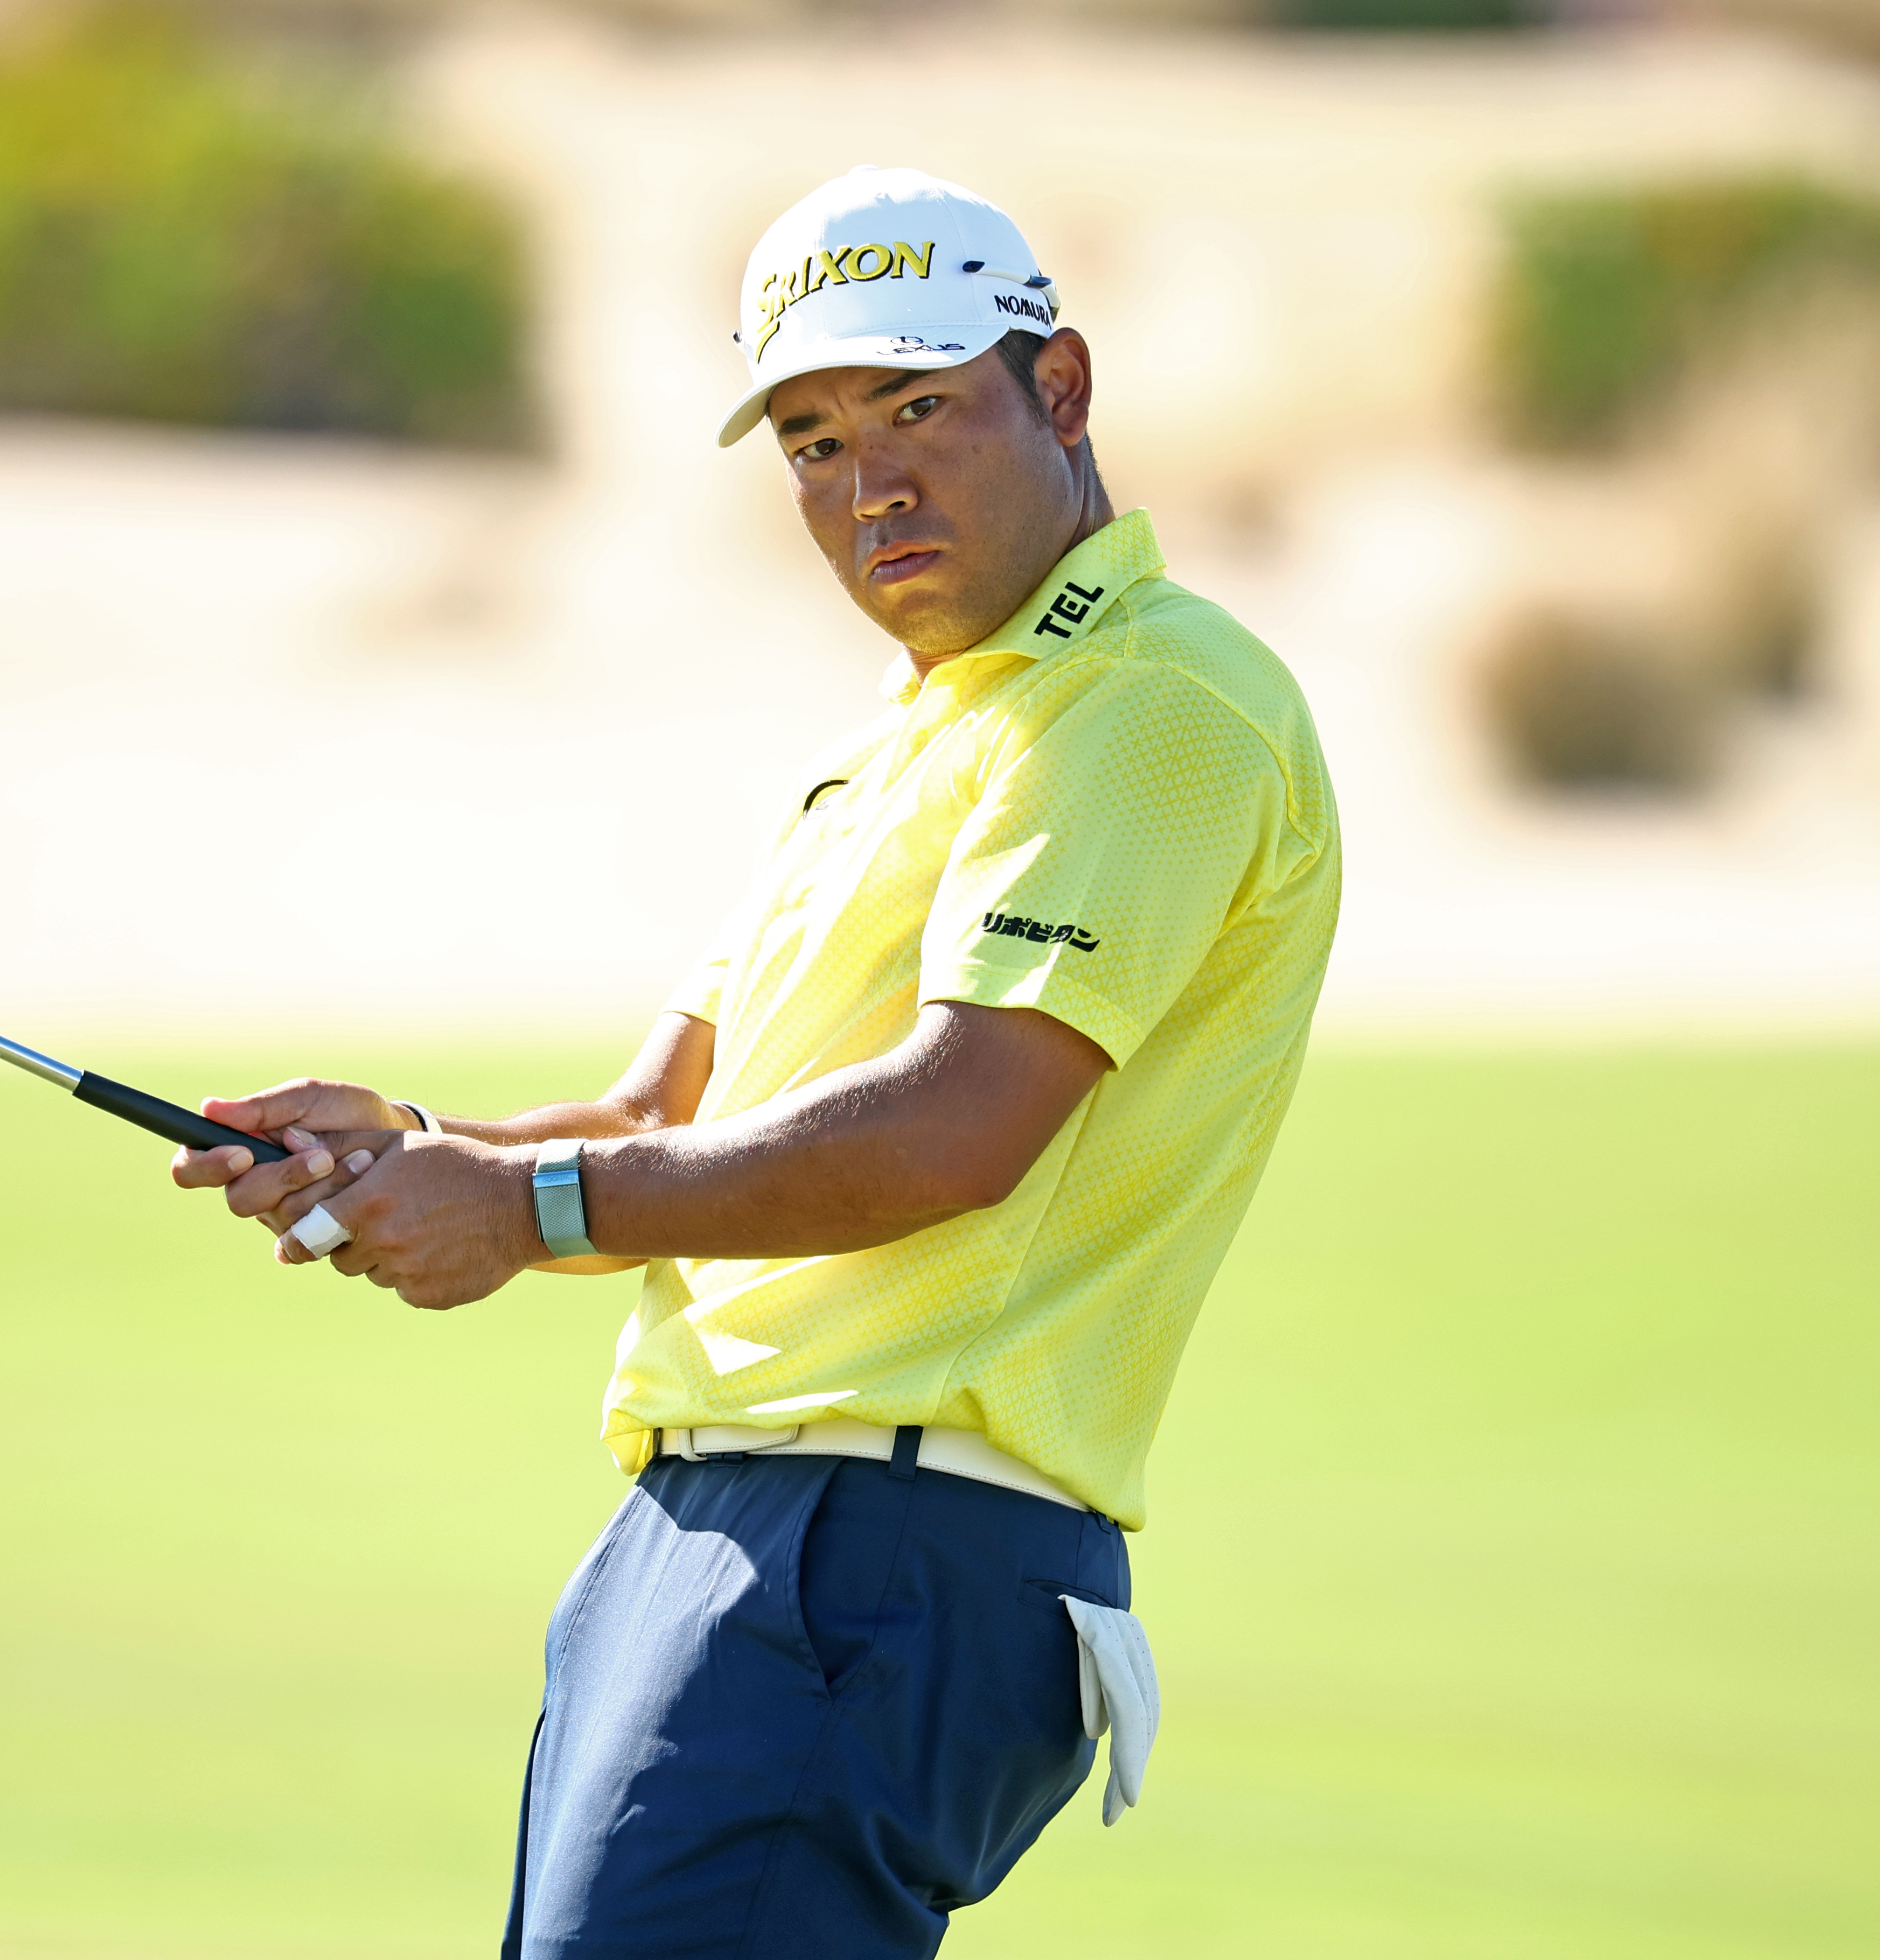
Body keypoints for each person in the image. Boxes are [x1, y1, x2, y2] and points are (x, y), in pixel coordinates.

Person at [169, 166, 1340, 1959]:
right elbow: (662, 1124)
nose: (871, 482)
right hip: (721, 1532)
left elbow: (960, 1129)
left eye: (922, 408)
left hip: (887, 1549)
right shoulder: (903, 745)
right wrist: (410, 1151)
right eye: (808, 440)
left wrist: (525, 1210)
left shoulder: (1156, 706)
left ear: (1067, 390)